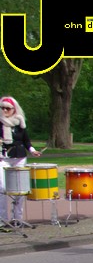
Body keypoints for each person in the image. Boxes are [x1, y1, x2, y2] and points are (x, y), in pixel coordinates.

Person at [0, 96, 41, 227]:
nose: (5, 110)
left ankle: (17, 218)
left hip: (19, 158)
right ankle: (2, 219)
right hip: (4, 158)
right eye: (2, 108)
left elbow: (26, 141)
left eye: (8, 108)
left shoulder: (20, 123)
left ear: (14, 109)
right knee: (2, 188)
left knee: (20, 189)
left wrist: (33, 150)